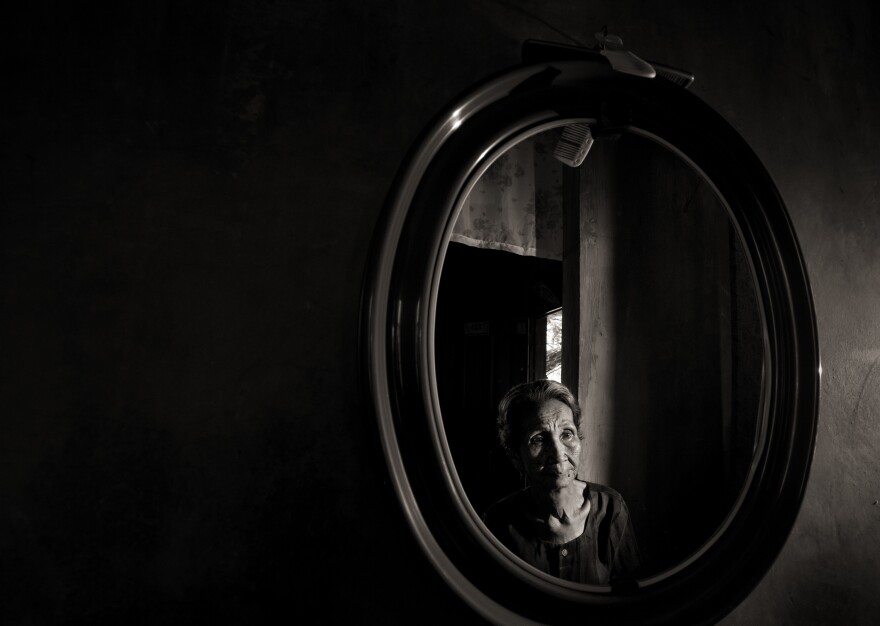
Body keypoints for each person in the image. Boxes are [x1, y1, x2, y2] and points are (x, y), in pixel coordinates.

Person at [482, 379, 641, 585]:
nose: (558, 454)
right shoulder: (497, 522)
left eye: (567, 434)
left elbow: (630, 596)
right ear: (516, 457)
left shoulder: (610, 508)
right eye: (538, 439)